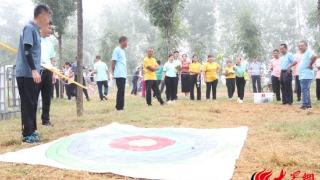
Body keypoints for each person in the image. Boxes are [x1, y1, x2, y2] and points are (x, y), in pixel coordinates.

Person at [15, 4, 51, 143]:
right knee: (27, 103)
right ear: (41, 15)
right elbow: (27, 50)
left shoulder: (35, 30)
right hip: (26, 73)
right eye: (48, 16)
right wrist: (34, 70)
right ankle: (27, 135)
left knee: (32, 103)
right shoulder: (29, 28)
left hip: (32, 73)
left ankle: (32, 131)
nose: (48, 20)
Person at [39, 20, 55, 127]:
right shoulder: (36, 39)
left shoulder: (50, 42)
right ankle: (31, 123)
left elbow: (52, 58)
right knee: (34, 98)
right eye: (49, 28)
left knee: (47, 97)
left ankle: (46, 120)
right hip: (37, 71)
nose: (51, 30)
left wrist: (53, 72)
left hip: (48, 72)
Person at [297, 40, 317, 110]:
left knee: (304, 90)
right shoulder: (304, 54)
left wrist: (310, 64)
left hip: (306, 75)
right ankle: (308, 105)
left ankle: (305, 105)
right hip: (303, 75)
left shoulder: (308, 51)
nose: (300, 47)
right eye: (299, 46)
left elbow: (315, 56)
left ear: (306, 46)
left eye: (302, 46)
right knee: (306, 90)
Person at [111, 36, 128, 111]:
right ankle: (118, 108)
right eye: (126, 41)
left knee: (122, 90)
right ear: (122, 41)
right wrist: (113, 73)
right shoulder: (116, 50)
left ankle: (121, 106)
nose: (127, 43)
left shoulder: (123, 51)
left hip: (123, 74)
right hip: (118, 73)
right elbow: (113, 61)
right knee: (120, 90)